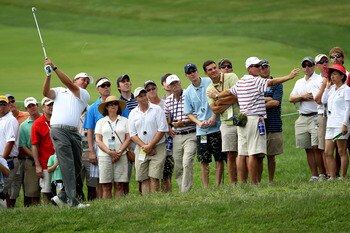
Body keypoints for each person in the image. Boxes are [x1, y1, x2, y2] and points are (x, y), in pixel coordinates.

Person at [214, 57, 299, 184]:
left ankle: (243, 183)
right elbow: (272, 82)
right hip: (254, 119)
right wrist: (289, 76)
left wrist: (216, 95)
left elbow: (228, 92)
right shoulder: (256, 80)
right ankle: (254, 184)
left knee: (242, 153)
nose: (260, 68)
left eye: (260, 65)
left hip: (242, 120)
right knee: (253, 153)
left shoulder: (241, 81)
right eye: (256, 66)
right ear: (249, 69)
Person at [43, 58, 91, 208]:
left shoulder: (84, 94)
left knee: (77, 164)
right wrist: (48, 75)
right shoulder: (59, 91)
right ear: (76, 79)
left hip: (74, 132)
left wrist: (55, 67)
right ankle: (72, 201)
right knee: (68, 164)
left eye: (87, 81)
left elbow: (69, 84)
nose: (85, 83)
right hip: (58, 129)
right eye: (83, 80)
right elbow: (45, 92)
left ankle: (62, 195)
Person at [183, 63, 226, 188]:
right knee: (204, 160)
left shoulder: (208, 82)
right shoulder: (188, 92)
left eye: (194, 71)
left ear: (198, 71)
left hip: (216, 126)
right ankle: (206, 187)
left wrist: (214, 116)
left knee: (218, 158)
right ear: (187, 75)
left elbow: (219, 100)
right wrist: (198, 123)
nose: (192, 74)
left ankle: (218, 185)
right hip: (201, 130)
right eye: (189, 72)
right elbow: (188, 113)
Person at [289, 57, 327, 181]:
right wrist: (302, 96)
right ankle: (314, 175)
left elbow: (316, 97)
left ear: (314, 66)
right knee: (308, 148)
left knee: (317, 147)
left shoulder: (319, 80)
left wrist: (302, 97)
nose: (307, 68)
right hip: (302, 116)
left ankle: (322, 174)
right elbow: (291, 98)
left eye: (309, 65)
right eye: (304, 65)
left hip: (316, 115)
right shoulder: (299, 82)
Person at [204, 60, 239, 184]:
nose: (213, 71)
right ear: (206, 73)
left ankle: (245, 181)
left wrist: (218, 98)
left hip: (241, 120)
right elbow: (214, 109)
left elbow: (238, 96)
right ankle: (233, 184)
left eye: (214, 68)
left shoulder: (231, 76)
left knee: (243, 154)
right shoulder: (209, 89)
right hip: (226, 123)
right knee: (230, 154)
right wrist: (229, 99)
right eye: (210, 69)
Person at [129, 87, 168, 194]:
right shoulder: (133, 113)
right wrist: (145, 147)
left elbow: (162, 129)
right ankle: (147, 200)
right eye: (140, 96)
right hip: (141, 148)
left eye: (144, 95)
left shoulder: (157, 109)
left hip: (158, 147)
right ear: (136, 100)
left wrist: (150, 145)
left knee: (154, 176)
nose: (144, 98)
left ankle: (154, 200)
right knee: (143, 177)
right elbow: (132, 134)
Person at [164, 74, 197, 192]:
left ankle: (185, 191)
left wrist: (183, 123)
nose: (175, 85)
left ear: (180, 83)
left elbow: (197, 115)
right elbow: (165, 118)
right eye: (172, 84)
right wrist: (169, 128)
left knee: (187, 162)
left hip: (190, 133)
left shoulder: (189, 96)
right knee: (178, 166)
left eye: (176, 83)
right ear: (169, 87)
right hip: (176, 136)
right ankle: (181, 188)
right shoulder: (168, 101)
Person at [95, 96, 130, 198]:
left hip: (121, 155)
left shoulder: (125, 121)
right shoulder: (101, 122)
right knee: (106, 185)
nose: (113, 106)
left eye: (115, 104)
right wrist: (109, 152)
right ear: (106, 107)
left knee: (119, 184)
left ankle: (118, 207)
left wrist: (119, 151)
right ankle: (107, 207)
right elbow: (98, 140)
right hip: (105, 156)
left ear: (118, 106)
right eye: (110, 104)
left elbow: (128, 138)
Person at [83, 77, 112, 199]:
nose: (106, 87)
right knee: (101, 179)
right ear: (98, 89)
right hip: (99, 145)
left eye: (108, 85)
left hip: (116, 144)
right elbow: (90, 131)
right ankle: (103, 202)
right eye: (103, 86)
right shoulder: (93, 108)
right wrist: (91, 152)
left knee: (118, 178)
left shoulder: (116, 104)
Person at [144, 80, 174, 192]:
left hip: (165, 143)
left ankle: (166, 197)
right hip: (148, 144)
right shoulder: (144, 106)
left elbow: (171, 121)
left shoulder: (164, 104)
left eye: (153, 88)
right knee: (150, 175)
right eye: (148, 90)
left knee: (166, 174)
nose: (151, 91)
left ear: (157, 89)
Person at [321, 64, 350, 180]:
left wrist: (345, 123)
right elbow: (323, 101)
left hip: (340, 124)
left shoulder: (347, 90)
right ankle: (332, 177)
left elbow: (348, 108)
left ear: (342, 76)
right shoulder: (332, 89)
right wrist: (327, 88)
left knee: (341, 151)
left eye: (335, 74)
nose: (332, 77)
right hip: (330, 123)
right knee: (328, 152)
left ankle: (343, 176)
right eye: (331, 75)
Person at [259, 59, 284, 183]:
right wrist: (268, 98)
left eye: (266, 67)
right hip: (259, 125)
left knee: (271, 156)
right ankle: (257, 181)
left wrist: (259, 101)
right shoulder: (256, 83)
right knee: (258, 156)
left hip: (273, 124)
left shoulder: (277, 84)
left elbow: (275, 102)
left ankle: (270, 181)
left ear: (269, 67)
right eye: (262, 67)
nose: (264, 69)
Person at [5, 94, 28, 206]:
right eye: (7, 102)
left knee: (22, 185)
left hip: (22, 157)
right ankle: (10, 208)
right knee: (9, 186)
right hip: (12, 157)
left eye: (12, 101)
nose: (11, 104)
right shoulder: (4, 119)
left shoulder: (25, 115)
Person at [116, 74, 138, 194]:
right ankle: (125, 197)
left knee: (141, 172)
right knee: (126, 174)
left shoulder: (139, 99)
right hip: (126, 141)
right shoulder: (118, 104)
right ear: (118, 87)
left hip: (140, 139)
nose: (126, 83)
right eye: (122, 81)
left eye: (127, 81)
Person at [31, 97, 55, 203]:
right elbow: (34, 145)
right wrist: (37, 165)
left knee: (60, 189)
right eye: (49, 105)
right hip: (45, 163)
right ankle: (47, 211)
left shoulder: (59, 119)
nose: (51, 107)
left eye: (53, 104)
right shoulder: (38, 123)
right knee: (46, 191)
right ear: (43, 107)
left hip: (60, 161)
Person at [19, 97, 41, 206]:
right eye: (29, 106)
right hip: (31, 160)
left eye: (33, 105)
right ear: (26, 109)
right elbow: (23, 145)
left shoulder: (48, 120)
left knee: (49, 189)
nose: (32, 108)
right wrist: (36, 157)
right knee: (32, 191)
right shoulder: (23, 126)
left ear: (37, 105)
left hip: (48, 159)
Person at [0, 95, 19, 208]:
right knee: (4, 191)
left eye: (4, 104)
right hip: (3, 160)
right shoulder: (2, 120)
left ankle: (7, 212)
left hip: (8, 160)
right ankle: (6, 212)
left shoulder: (10, 120)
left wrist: (2, 160)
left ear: (8, 106)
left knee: (3, 189)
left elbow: (10, 142)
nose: (1, 107)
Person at [314, 54, 330, 178]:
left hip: (335, 114)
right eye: (321, 62)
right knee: (324, 147)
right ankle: (329, 174)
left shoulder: (335, 76)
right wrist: (325, 84)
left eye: (326, 61)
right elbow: (318, 100)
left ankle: (337, 173)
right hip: (322, 115)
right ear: (317, 65)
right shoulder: (316, 81)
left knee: (339, 146)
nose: (325, 63)